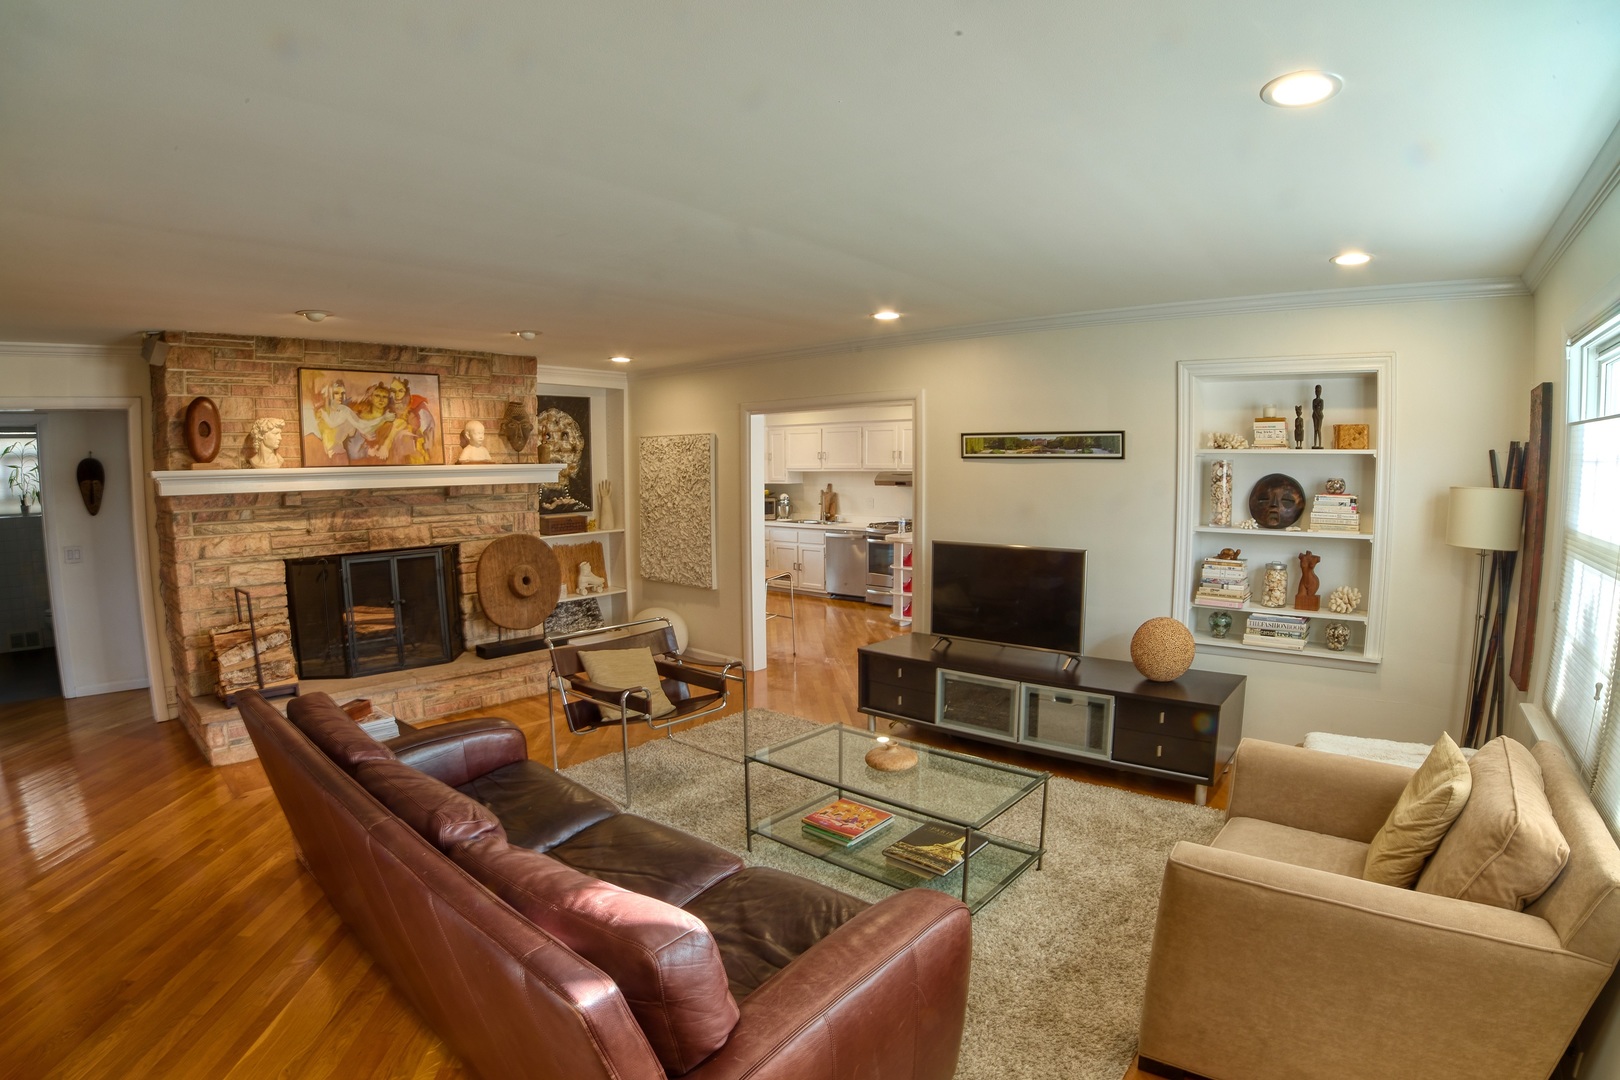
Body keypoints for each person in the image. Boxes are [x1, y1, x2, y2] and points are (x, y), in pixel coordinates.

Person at [1312, 385, 1324, 449]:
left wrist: (1318, 414)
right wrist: (1316, 413)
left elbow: (1321, 408)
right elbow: (1313, 408)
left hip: (1320, 415)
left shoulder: (1321, 401)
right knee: (1315, 430)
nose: (1317, 392)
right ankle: (1315, 444)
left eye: (1319, 391)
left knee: (1319, 429)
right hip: (1315, 415)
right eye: (1316, 391)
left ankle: (1319, 444)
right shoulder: (1314, 400)